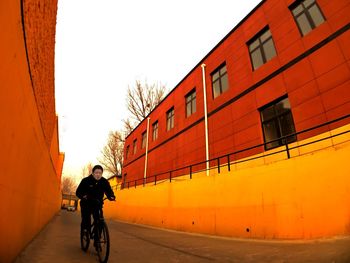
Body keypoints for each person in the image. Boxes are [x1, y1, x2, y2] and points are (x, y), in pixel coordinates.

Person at [76, 165, 115, 246]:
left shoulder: (104, 181)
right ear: (93, 173)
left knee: (100, 221)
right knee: (86, 219)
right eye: (96, 173)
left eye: (100, 173)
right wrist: (83, 196)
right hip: (86, 203)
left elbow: (108, 190)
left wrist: (111, 196)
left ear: (102, 174)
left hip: (97, 204)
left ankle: (97, 239)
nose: (98, 175)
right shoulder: (86, 181)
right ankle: (85, 231)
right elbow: (78, 192)